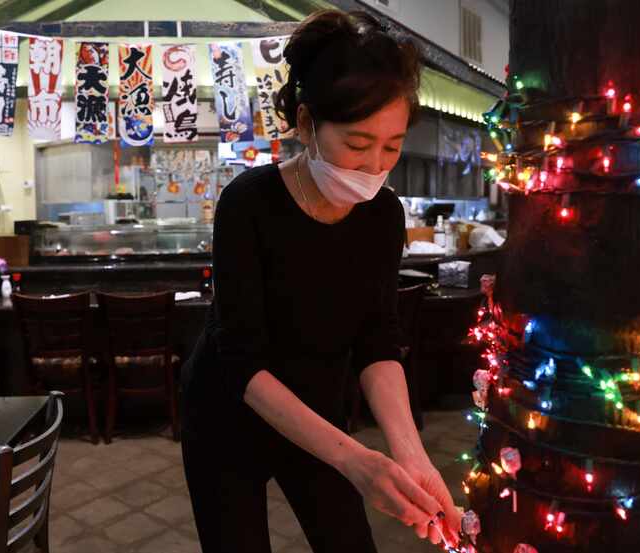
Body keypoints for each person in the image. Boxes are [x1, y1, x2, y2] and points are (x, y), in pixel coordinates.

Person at [180, 9, 461, 553]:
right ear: (307, 124)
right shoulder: (249, 203)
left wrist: (411, 456)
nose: (374, 166)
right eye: (357, 145)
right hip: (226, 415)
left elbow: (378, 341)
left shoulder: (383, 214)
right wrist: (357, 460)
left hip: (317, 418)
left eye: (392, 145)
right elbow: (241, 358)